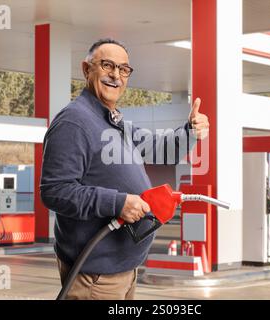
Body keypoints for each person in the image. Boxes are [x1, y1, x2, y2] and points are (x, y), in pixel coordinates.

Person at [40, 38, 209, 300]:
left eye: (124, 69)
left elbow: (161, 148)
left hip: (123, 270)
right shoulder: (74, 122)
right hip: (95, 278)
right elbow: (55, 191)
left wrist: (190, 132)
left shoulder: (112, 121)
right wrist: (117, 203)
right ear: (87, 70)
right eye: (107, 65)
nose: (116, 75)